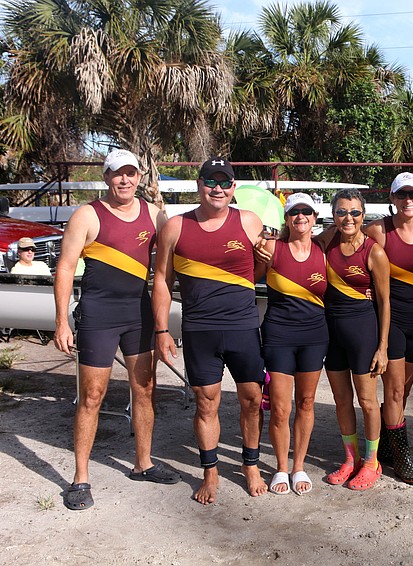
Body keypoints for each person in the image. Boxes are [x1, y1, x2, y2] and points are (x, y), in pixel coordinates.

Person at [53, 149, 179, 511]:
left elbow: (174, 259)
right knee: (92, 396)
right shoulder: (87, 215)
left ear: (140, 177)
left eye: (131, 173)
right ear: (106, 177)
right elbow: (64, 269)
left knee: (145, 389)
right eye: (117, 174)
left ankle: (143, 464)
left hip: (138, 315)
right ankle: (80, 478)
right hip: (98, 316)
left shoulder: (155, 215)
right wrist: (62, 321)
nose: (124, 180)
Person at [152, 156, 267, 504]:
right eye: (210, 181)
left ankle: (251, 465)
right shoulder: (175, 226)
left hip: (244, 327)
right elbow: (161, 279)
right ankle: (210, 472)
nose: (217, 188)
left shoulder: (248, 221)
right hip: (201, 329)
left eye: (224, 182)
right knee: (206, 404)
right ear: (199, 185)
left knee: (251, 401)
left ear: (233, 188)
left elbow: (262, 267)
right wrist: (161, 330)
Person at [365, 172, 413, 485]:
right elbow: (339, 248)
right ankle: (402, 458)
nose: (408, 201)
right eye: (402, 195)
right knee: (394, 390)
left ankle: (385, 439)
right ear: (392, 199)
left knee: (404, 389)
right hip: (390, 319)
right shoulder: (379, 230)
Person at [253, 193, 328, 495]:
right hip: (279, 336)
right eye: (294, 212)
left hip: (314, 336)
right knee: (281, 409)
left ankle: (299, 467)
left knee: (306, 403)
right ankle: (282, 468)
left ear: (314, 217)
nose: (300, 217)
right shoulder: (272, 248)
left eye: (306, 211)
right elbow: (247, 278)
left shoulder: (324, 250)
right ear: (286, 218)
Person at [319, 189, 391, 491]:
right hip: (331, 332)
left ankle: (372, 462)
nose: (348, 218)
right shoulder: (326, 240)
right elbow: (294, 245)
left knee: (367, 400)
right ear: (333, 215)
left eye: (354, 212)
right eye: (341, 212)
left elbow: (386, 302)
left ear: (363, 216)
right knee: (341, 399)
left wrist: (382, 347)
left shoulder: (373, 251)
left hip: (363, 332)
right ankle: (350, 458)